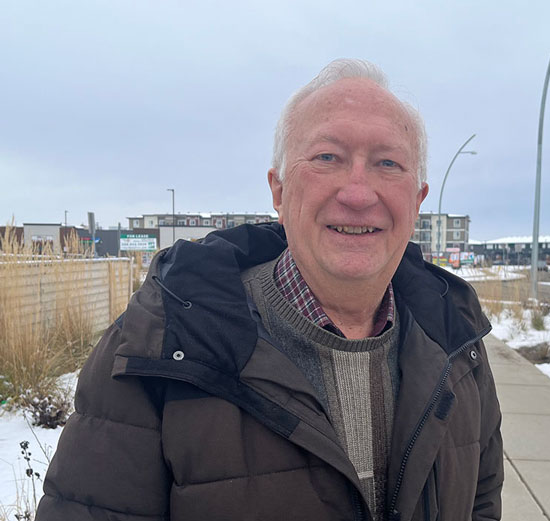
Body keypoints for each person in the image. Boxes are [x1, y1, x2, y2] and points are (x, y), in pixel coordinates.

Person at [37, 58, 503, 521]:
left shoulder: (457, 348)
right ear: (278, 191)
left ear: (417, 201)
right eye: (327, 158)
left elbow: (481, 504)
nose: (358, 194)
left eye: (388, 163)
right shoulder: (159, 346)